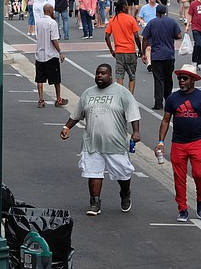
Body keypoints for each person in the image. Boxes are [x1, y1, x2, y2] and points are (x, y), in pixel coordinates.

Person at [60, 64, 141, 216]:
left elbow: (133, 113)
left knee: (123, 173)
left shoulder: (122, 93)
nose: (99, 76)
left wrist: (136, 132)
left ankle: (125, 193)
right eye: (97, 73)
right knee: (93, 172)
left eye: (103, 73)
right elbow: (77, 114)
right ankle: (94, 202)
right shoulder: (88, 93)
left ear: (110, 76)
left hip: (115, 143)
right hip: (92, 142)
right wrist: (66, 127)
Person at [156, 65, 201, 221]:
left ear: (193, 80)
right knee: (179, 177)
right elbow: (165, 121)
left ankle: (200, 200)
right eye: (179, 78)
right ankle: (182, 209)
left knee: (199, 174)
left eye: (185, 78)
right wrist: (160, 142)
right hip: (178, 144)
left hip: (197, 142)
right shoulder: (173, 98)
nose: (182, 81)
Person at [141, 4, 182, 110]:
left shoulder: (152, 23)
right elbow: (179, 35)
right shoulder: (172, 22)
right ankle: (168, 99)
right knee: (168, 78)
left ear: (156, 12)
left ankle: (158, 102)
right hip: (169, 55)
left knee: (158, 79)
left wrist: (143, 52)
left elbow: (145, 38)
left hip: (156, 55)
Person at [105, 0, 143, 93]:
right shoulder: (130, 19)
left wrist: (111, 50)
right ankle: (130, 95)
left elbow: (107, 36)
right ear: (123, 7)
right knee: (132, 76)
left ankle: (121, 96)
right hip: (130, 50)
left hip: (119, 51)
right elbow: (137, 36)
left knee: (119, 76)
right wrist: (140, 49)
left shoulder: (113, 20)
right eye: (126, 5)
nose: (127, 7)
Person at [35, 3, 68, 107]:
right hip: (50, 55)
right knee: (56, 79)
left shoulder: (39, 22)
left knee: (40, 78)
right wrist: (60, 52)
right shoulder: (52, 23)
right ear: (50, 11)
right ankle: (58, 99)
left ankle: (41, 99)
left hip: (39, 54)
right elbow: (54, 39)